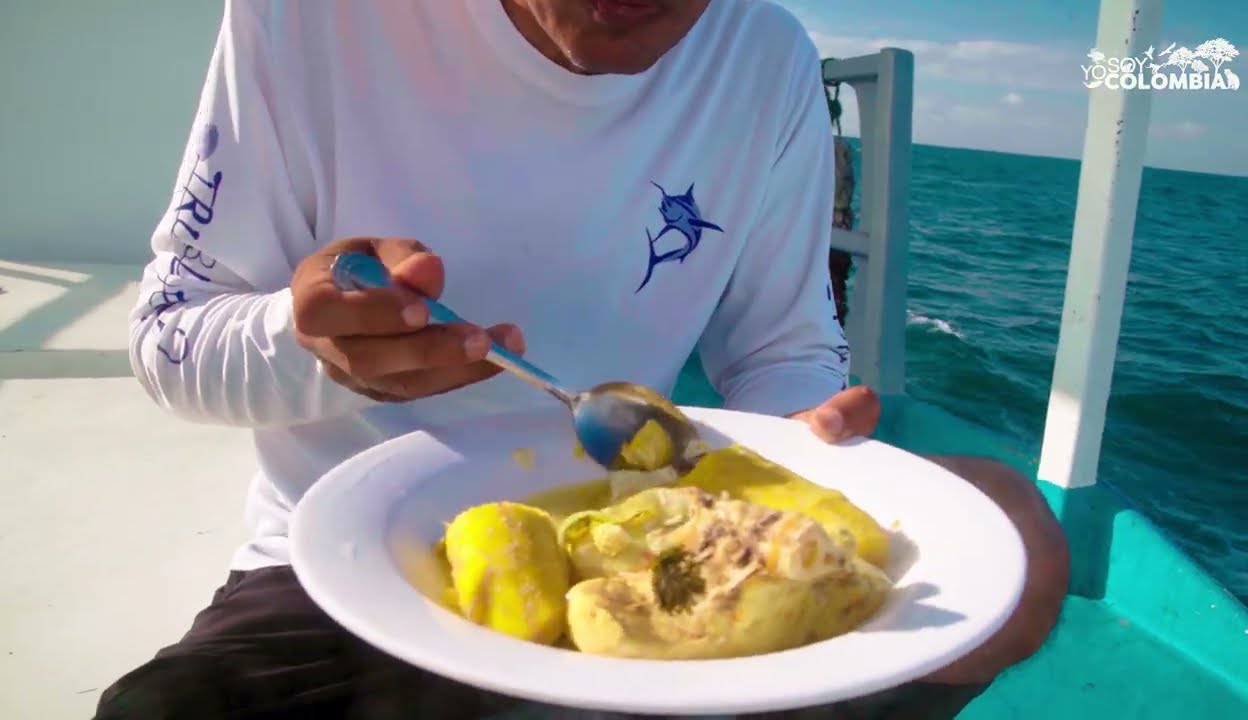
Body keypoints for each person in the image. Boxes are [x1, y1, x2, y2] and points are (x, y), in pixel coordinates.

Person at [98, 1, 1070, 718]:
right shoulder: (307, 20)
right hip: (348, 565)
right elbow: (169, 336)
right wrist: (308, 345)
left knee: (1014, 553)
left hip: (661, 525)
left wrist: (807, 434)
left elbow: (782, 344)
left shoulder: (766, 58)